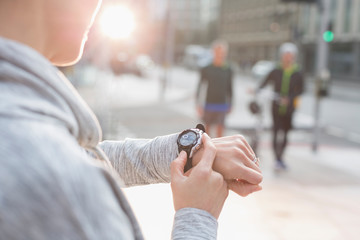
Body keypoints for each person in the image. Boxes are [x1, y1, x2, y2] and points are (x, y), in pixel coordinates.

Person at [0, 1, 262, 239]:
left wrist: (192, 150)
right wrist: (197, 217)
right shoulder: (58, 182)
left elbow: (82, 155)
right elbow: (66, 162)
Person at [257, 42, 304, 171]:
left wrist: (290, 98)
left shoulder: (297, 72)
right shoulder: (276, 70)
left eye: (290, 55)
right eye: (286, 55)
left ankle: (281, 157)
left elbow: (301, 90)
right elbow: (264, 83)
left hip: (289, 109)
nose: (288, 58)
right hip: (276, 107)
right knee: (276, 131)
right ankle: (276, 158)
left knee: (286, 133)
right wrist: (258, 90)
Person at [196, 40, 233, 137]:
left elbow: (230, 88)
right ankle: (209, 151)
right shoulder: (206, 68)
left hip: (222, 104)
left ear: (225, 54)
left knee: (220, 131)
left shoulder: (228, 69)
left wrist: (231, 103)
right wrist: (198, 104)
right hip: (208, 104)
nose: (220, 55)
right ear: (213, 52)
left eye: (222, 53)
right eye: (217, 52)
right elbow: (200, 87)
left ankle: (219, 152)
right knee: (207, 132)